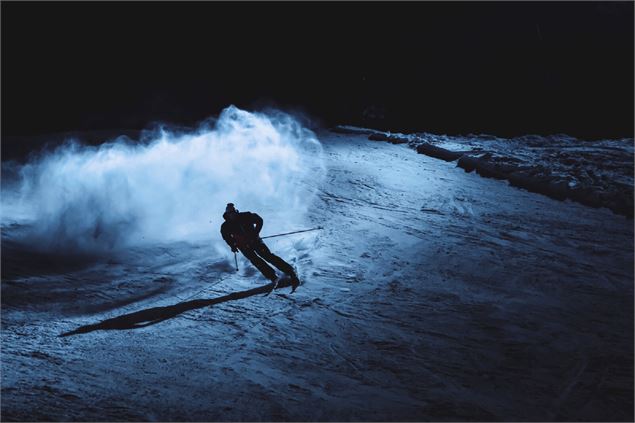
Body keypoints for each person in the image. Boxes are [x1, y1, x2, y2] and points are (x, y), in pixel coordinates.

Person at [221, 203, 299, 291]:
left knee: (267, 256)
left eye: (234, 212)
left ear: (236, 211)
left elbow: (259, 220)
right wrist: (233, 245)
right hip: (243, 246)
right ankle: (273, 277)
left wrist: (255, 233)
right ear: (227, 214)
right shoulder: (225, 226)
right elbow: (226, 237)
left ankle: (290, 271)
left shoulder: (246, 215)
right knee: (255, 260)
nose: (233, 214)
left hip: (255, 241)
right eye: (230, 213)